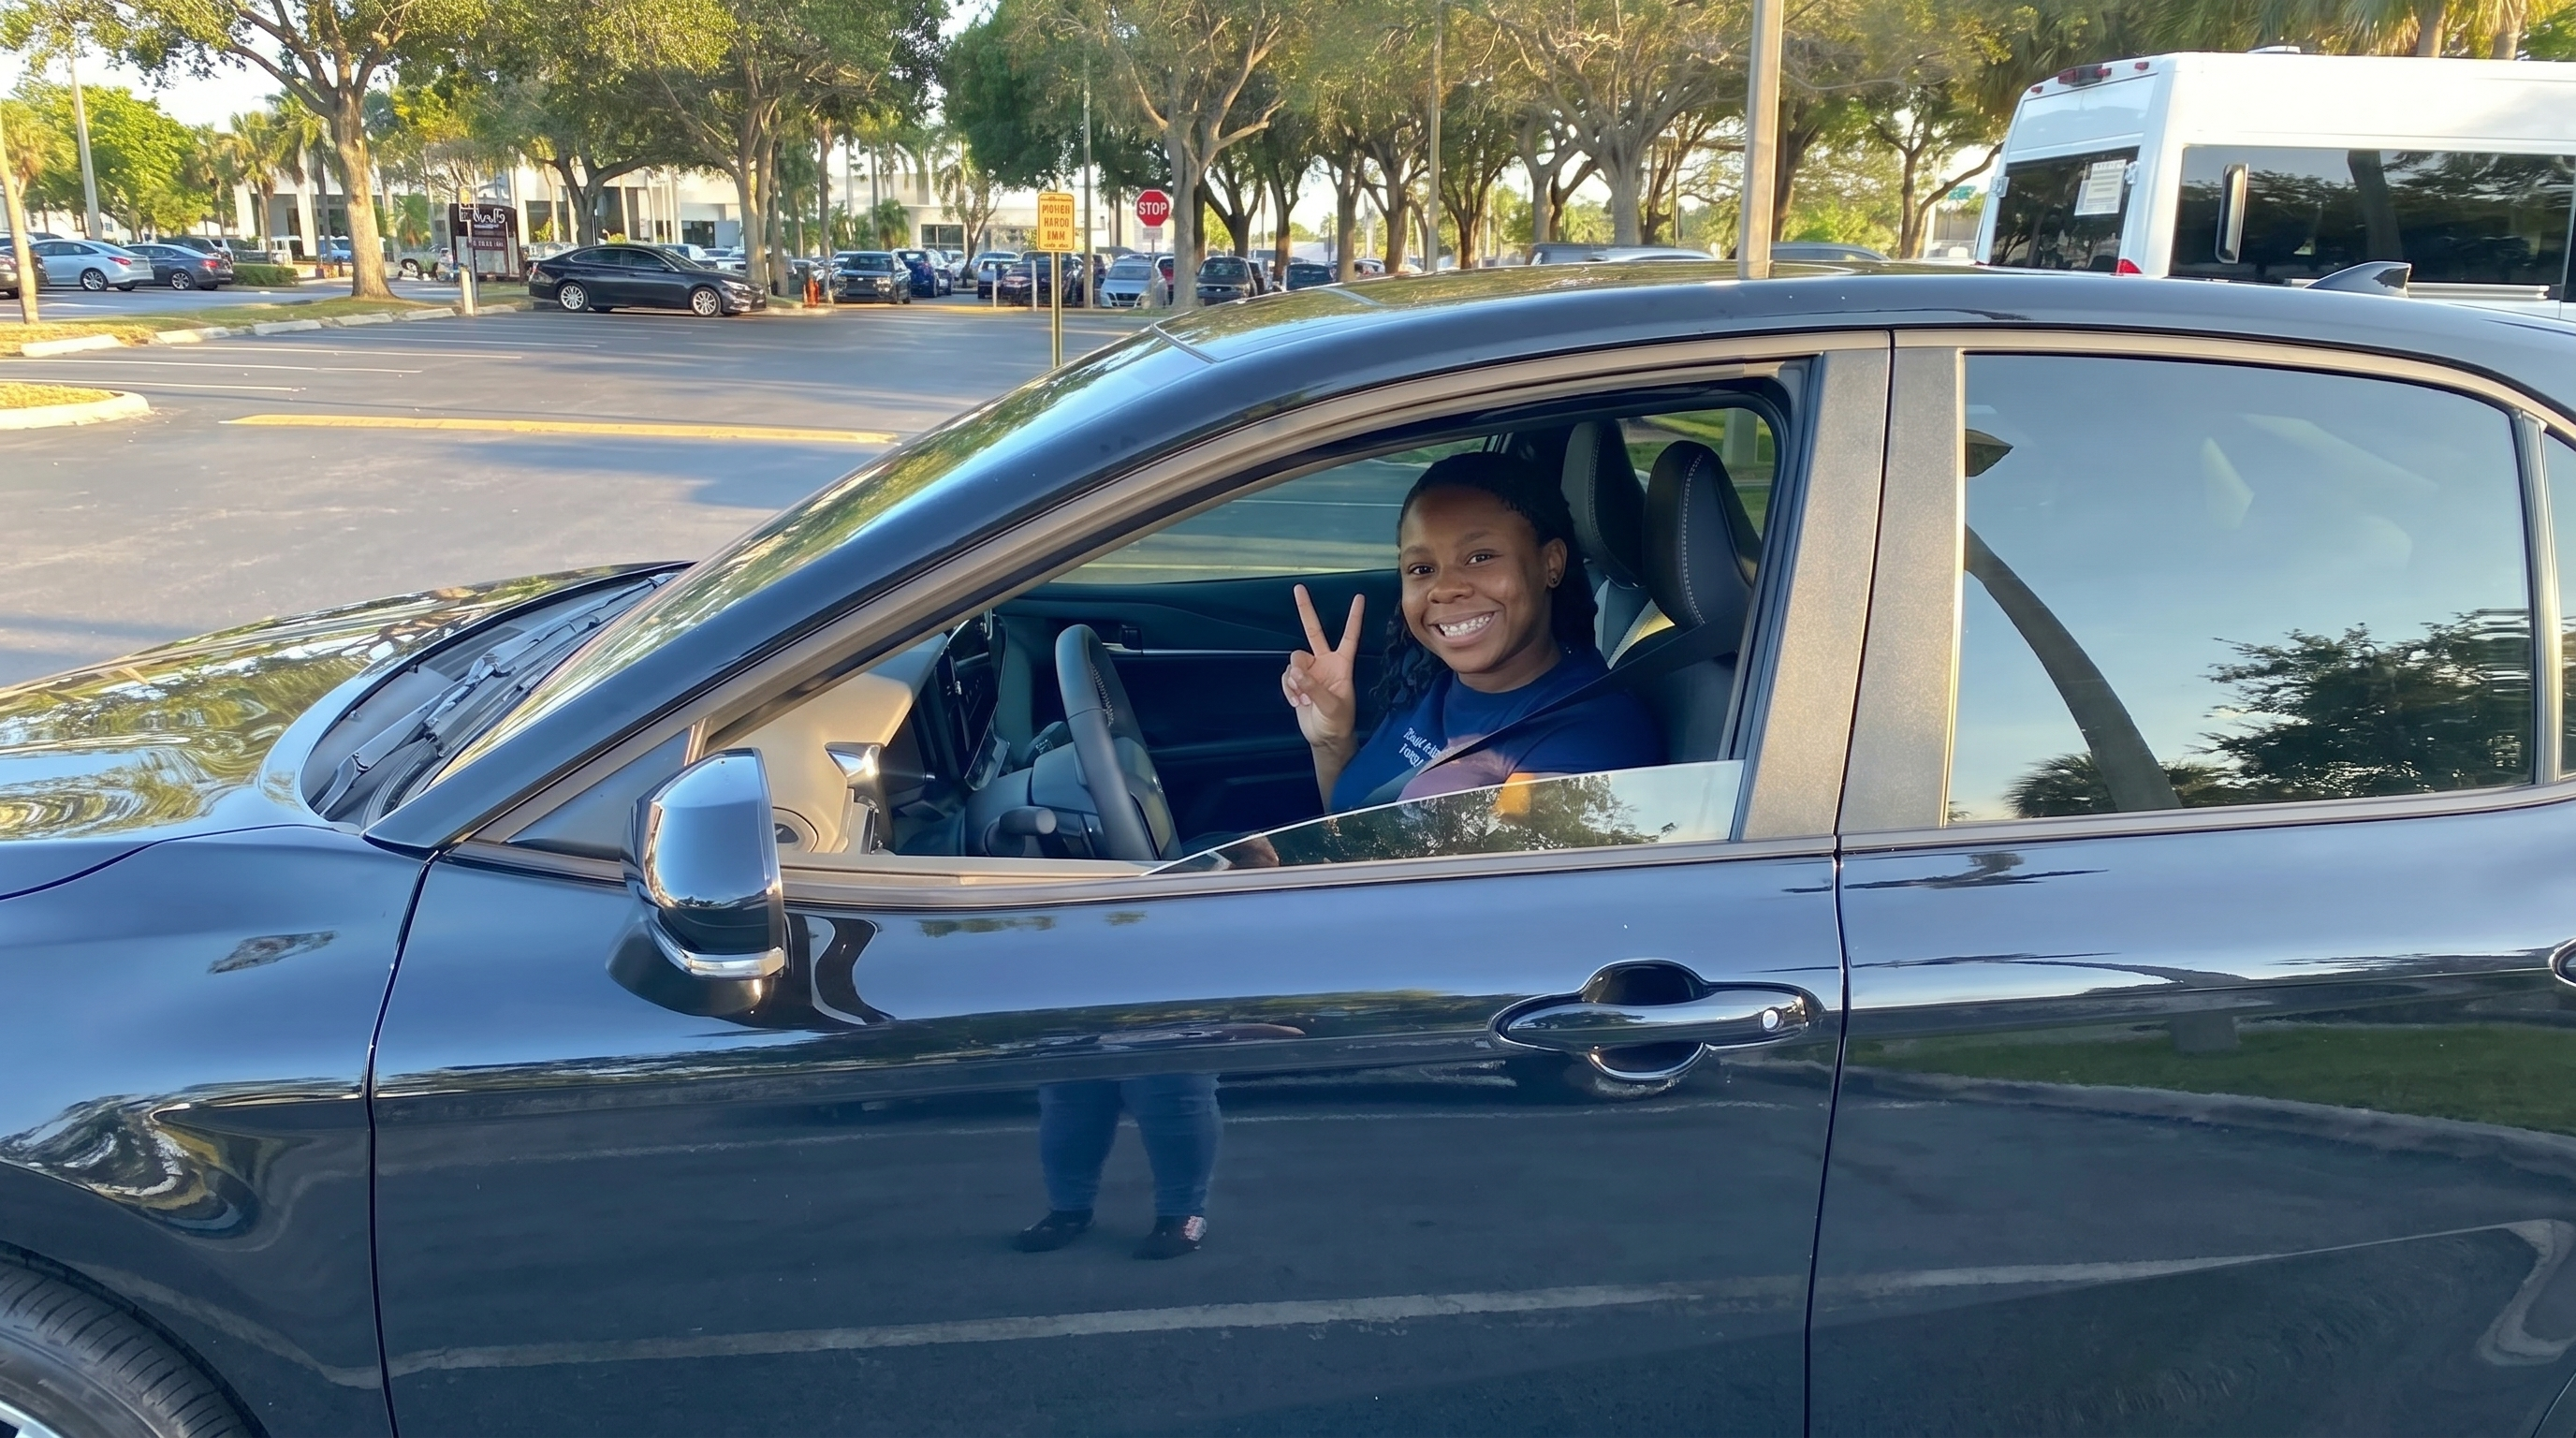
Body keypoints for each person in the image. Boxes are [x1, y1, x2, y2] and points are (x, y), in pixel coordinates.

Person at [1283, 449, 1663, 811]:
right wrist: (1332, 741)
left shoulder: (1590, 740)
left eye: (1480, 558)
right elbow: (1346, 832)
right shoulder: (1428, 680)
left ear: (1551, 563)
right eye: (1422, 569)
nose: (1446, 588)